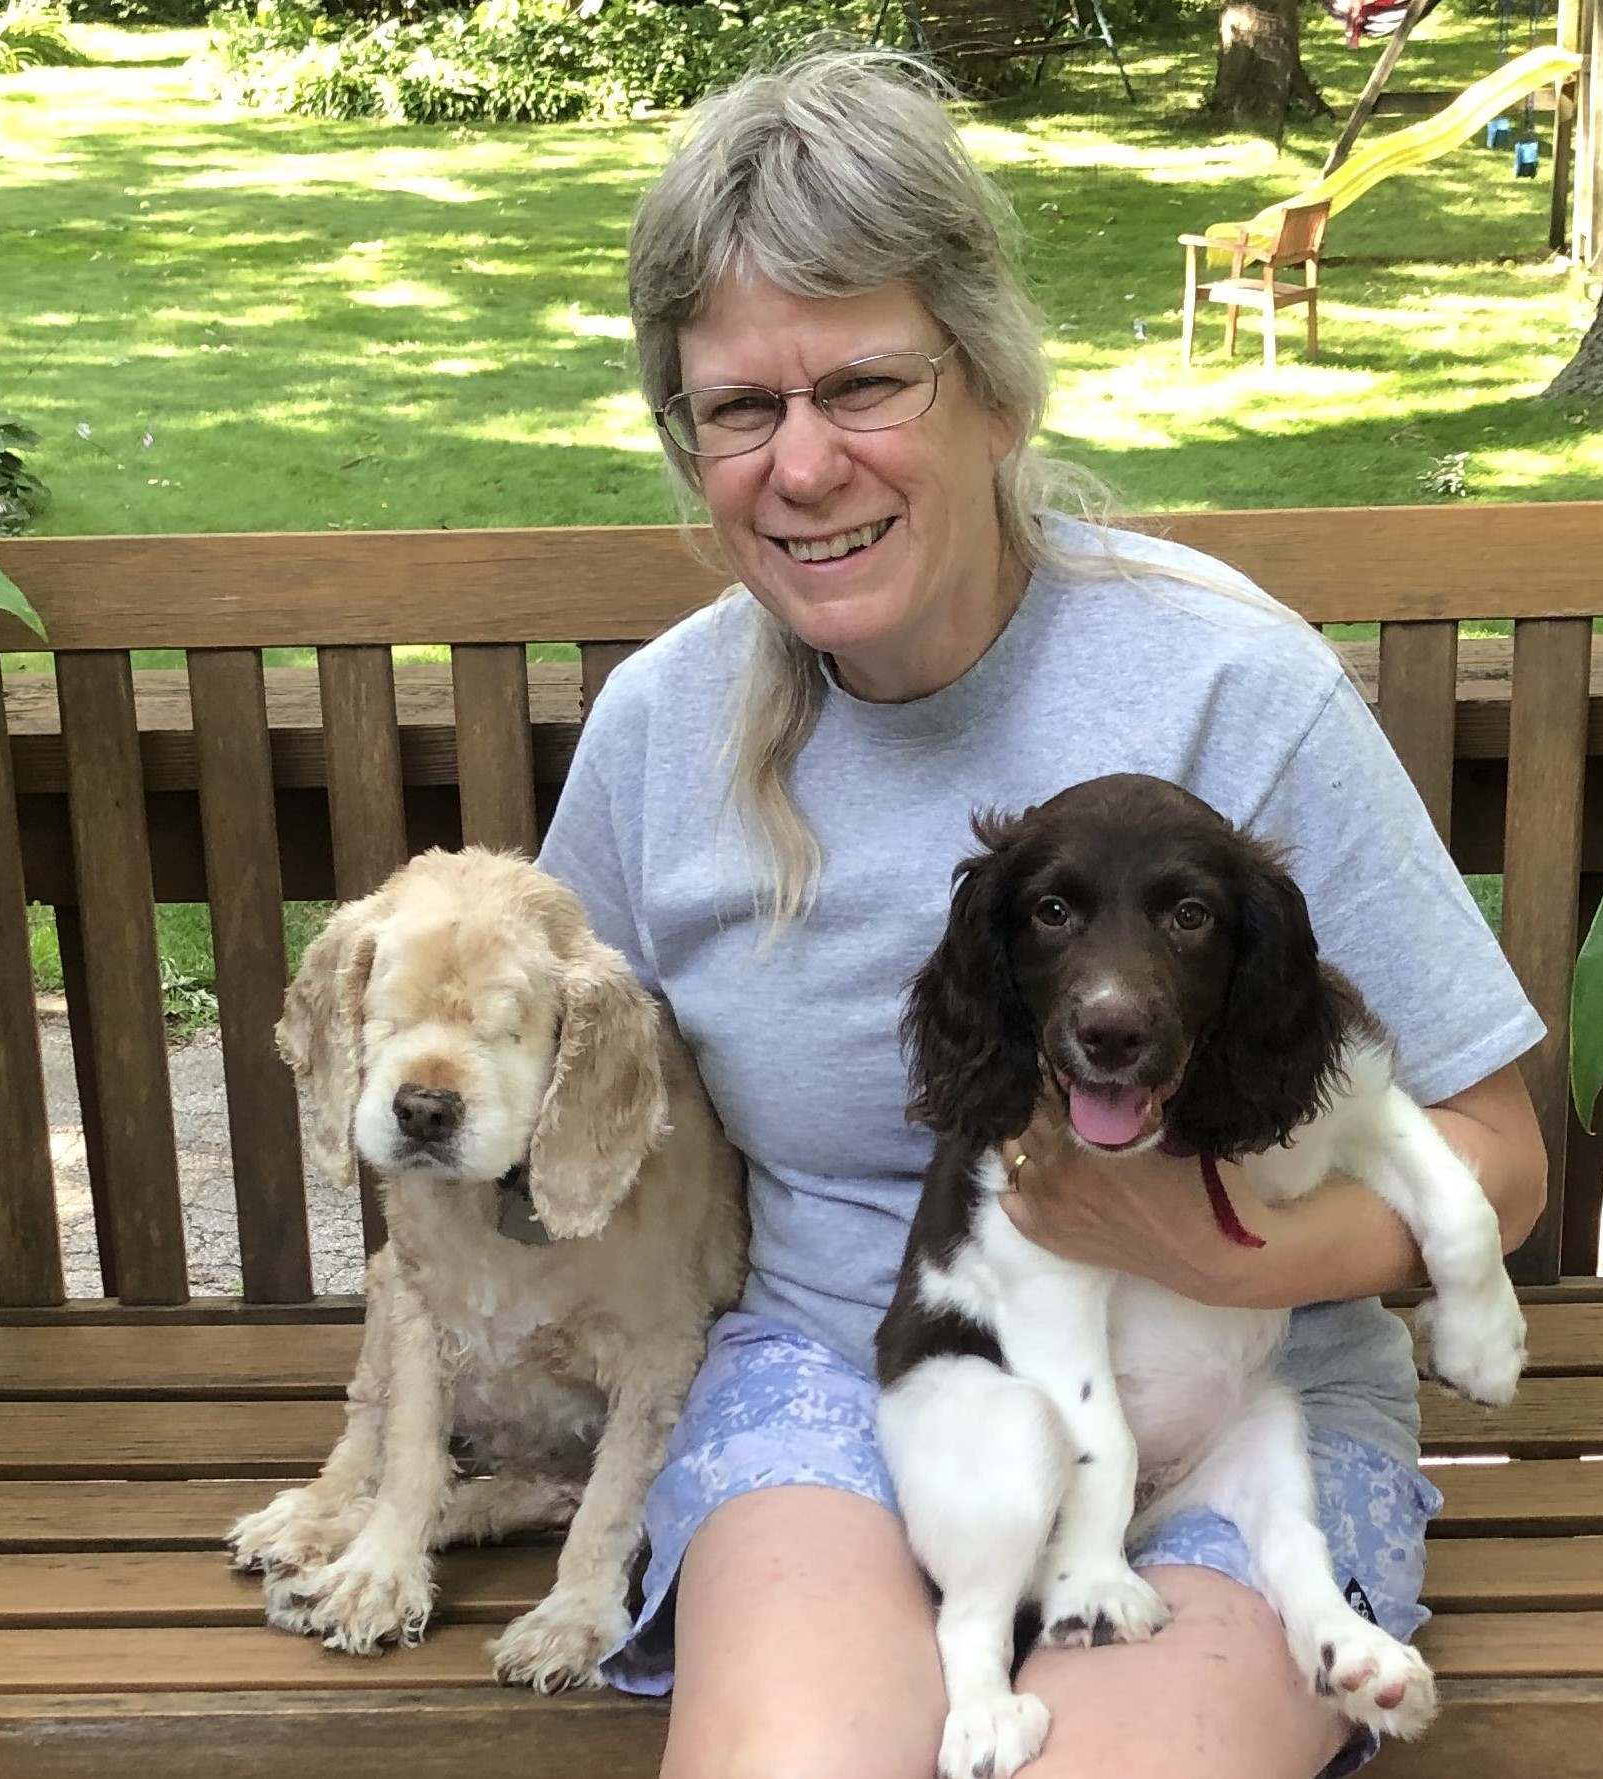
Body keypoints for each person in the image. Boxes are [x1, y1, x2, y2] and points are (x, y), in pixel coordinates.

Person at [538, 46, 1549, 1779]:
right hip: (858, 1379)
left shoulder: (1226, 680)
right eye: (735, 409)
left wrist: (1211, 1249)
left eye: (863, 384)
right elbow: (561, 1093)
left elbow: (1496, 1150)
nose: (800, 466)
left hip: (1245, 1401)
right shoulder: (658, 731)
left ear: (992, 389)